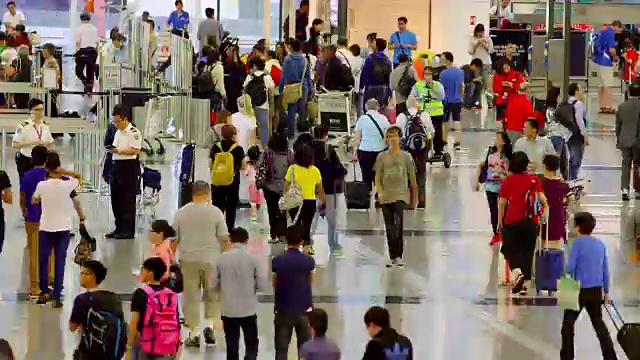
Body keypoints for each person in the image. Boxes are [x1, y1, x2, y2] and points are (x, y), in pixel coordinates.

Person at [173, 180, 230, 346]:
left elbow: (173, 239)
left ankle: (195, 332)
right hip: (211, 260)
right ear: (208, 193)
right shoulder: (216, 212)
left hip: (188, 259)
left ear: (192, 193)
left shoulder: (181, 213)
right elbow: (224, 238)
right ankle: (210, 326)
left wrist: (170, 258)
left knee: (190, 295)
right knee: (212, 293)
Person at [21, 146, 80, 296]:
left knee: (35, 253)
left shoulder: (28, 176)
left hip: (34, 219)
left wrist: (24, 211)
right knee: (56, 255)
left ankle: (35, 286)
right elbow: (77, 181)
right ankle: (53, 282)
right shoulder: (64, 179)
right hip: (59, 223)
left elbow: (24, 197)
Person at [561, 211, 617, 360]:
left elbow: (570, 267)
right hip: (596, 290)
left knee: (568, 324)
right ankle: (610, 356)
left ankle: (567, 356)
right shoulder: (600, 244)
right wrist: (606, 292)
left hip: (578, 290)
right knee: (599, 325)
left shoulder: (577, 244)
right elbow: (605, 270)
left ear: (578, 227)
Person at [33, 152, 85, 307]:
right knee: (60, 260)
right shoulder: (68, 184)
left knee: (44, 259)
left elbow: (35, 200)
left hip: (46, 227)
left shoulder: (42, 185)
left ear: (46, 167)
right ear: (58, 166)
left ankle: (44, 290)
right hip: (63, 228)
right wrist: (63, 171)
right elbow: (78, 176)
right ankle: (57, 294)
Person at [497, 151, 548, 295]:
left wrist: (499, 221)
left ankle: (516, 272)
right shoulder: (534, 180)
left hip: (511, 221)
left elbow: (502, 203)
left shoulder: (507, 180)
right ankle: (523, 285)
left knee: (509, 249)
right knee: (527, 252)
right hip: (530, 221)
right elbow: (543, 199)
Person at [212, 227, 267, 360]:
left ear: (230, 240)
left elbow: (212, 284)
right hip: (248, 308)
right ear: (247, 240)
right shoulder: (254, 259)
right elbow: (262, 284)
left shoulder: (220, 259)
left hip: (228, 309)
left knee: (232, 344)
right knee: (251, 343)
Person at [375, 126, 417, 267]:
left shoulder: (406, 157)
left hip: (401, 195)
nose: (393, 138)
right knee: (389, 227)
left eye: (395, 135)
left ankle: (399, 255)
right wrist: (380, 192)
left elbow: (412, 179)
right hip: (386, 196)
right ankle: (392, 255)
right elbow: (377, 176)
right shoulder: (381, 157)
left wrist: (414, 198)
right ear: (386, 139)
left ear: (400, 138)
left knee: (398, 226)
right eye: (390, 136)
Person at [272, 224, 314, 360]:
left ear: (286, 240)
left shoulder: (277, 261)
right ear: (301, 241)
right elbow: (311, 281)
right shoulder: (308, 261)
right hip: (304, 308)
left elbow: (274, 282)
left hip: (283, 309)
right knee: (304, 350)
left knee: (281, 349)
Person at [69, 260, 126, 360]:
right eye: (81, 273)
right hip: (112, 352)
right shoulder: (114, 297)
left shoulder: (82, 299)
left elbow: (72, 327)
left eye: (85, 273)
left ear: (93, 276)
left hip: (89, 351)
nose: (81, 276)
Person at [126, 257, 181, 359]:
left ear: (150, 273)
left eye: (143, 270)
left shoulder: (140, 293)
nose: (141, 273)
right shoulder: (170, 294)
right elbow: (176, 321)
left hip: (147, 345)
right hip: (168, 344)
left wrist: (129, 348)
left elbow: (134, 323)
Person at [106, 105, 142, 240]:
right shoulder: (118, 132)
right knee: (116, 198)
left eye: (117, 122)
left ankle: (128, 230)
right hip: (116, 165)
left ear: (125, 119)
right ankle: (119, 228)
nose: (116, 125)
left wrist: (119, 151)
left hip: (128, 167)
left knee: (127, 200)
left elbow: (135, 150)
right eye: (114, 122)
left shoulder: (134, 132)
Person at [309, 126, 347, 255]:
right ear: (325, 135)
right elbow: (340, 169)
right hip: (329, 188)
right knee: (332, 219)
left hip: (312, 188)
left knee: (312, 218)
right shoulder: (328, 149)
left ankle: (308, 243)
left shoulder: (308, 149)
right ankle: (333, 244)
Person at [284, 145, 326, 255]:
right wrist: (324, 201)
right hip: (310, 202)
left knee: (295, 224)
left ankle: (292, 245)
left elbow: (286, 186)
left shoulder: (292, 168)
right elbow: (319, 189)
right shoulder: (315, 171)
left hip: (295, 201)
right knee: (307, 225)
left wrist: (285, 199)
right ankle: (307, 246)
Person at [396, 96, 434, 208]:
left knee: (407, 174)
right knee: (421, 173)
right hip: (422, 149)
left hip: (407, 149)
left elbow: (398, 133)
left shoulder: (401, 117)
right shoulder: (424, 115)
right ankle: (421, 201)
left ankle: (409, 201)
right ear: (416, 104)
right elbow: (431, 132)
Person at [475, 131, 512, 243]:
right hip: (490, 186)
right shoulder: (489, 152)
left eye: (499, 138)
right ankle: (496, 233)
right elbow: (480, 166)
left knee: (504, 210)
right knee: (493, 210)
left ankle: (504, 232)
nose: (496, 140)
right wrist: (477, 181)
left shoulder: (509, 155)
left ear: (504, 141)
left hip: (504, 186)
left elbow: (511, 170)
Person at [352, 99, 391, 200]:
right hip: (380, 151)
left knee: (366, 174)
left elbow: (357, 138)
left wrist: (354, 152)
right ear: (378, 107)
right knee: (379, 174)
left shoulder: (362, 119)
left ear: (366, 107)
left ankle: (367, 194)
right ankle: (379, 194)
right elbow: (387, 136)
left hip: (364, 151)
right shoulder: (384, 119)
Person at [209, 124, 246, 230]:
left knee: (217, 206)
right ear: (233, 135)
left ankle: (217, 228)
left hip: (217, 183)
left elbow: (210, 164)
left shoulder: (215, 147)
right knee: (231, 207)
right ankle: (229, 229)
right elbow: (243, 166)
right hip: (232, 182)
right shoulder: (238, 149)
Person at [261, 132, 293, 244]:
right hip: (285, 187)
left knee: (271, 210)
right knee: (283, 210)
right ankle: (283, 234)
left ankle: (273, 234)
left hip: (269, 186)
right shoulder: (289, 154)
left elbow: (261, 166)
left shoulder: (267, 153)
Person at [12, 98, 54, 180]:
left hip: (42, 161)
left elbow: (50, 142)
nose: (40, 112)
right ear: (31, 111)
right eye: (37, 110)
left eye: (42, 109)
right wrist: (32, 143)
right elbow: (15, 144)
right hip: (27, 160)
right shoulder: (23, 126)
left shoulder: (45, 126)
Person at [279, 39, 313, 138]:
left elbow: (283, 76)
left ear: (291, 47)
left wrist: (281, 89)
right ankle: (302, 133)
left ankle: (291, 134)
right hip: (303, 88)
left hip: (291, 88)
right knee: (302, 111)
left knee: (291, 111)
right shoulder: (304, 60)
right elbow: (308, 76)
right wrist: (311, 91)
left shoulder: (288, 59)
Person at [409, 66, 445, 158]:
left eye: (429, 74)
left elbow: (441, 97)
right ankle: (424, 148)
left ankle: (438, 150)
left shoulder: (438, 85)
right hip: (423, 114)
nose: (427, 77)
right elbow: (412, 96)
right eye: (426, 74)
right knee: (424, 132)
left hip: (436, 113)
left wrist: (432, 88)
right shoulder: (418, 85)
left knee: (437, 133)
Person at [244, 56, 275, 147]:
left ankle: (251, 146)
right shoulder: (267, 77)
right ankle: (264, 147)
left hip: (250, 106)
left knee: (251, 127)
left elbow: (244, 90)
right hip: (263, 105)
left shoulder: (249, 76)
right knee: (264, 127)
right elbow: (271, 90)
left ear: (254, 65)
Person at [592, 20, 622, 114]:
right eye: (619, 29)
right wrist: (616, 57)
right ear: (617, 26)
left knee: (601, 84)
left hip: (598, 60)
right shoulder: (610, 33)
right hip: (606, 61)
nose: (619, 31)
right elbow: (611, 49)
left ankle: (602, 106)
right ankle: (608, 106)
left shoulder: (602, 31)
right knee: (608, 84)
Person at [541, 154, 571, 246]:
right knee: (556, 246)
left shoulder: (540, 183)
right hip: (558, 216)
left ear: (545, 166)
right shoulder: (563, 184)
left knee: (542, 245)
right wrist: (563, 202)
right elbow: (571, 198)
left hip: (543, 217)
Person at [617, 82, 640, 200]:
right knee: (637, 165)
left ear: (629, 93)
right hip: (638, 140)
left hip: (624, 139)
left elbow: (618, 125)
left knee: (626, 164)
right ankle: (637, 190)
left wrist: (618, 139)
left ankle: (624, 190)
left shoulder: (622, 107)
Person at [439, 51, 465, 150]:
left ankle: (444, 140)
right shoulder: (460, 72)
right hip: (457, 100)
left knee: (445, 121)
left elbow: (441, 88)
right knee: (457, 120)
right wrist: (460, 96)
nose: (441, 60)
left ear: (447, 60)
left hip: (446, 100)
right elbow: (462, 86)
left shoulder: (443, 74)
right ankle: (457, 142)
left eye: (442, 58)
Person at [545, 86, 570, 180]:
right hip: (556, 137)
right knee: (556, 162)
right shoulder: (555, 110)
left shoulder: (549, 109)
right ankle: (555, 180)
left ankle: (564, 181)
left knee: (564, 162)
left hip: (559, 137)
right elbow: (565, 121)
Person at [565, 82, 588, 181]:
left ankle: (570, 178)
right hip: (577, 135)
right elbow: (579, 120)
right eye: (580, 89)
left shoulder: (566, 103)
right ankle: (573, 180)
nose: (582, 91)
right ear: (576, 91)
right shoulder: (578, 104)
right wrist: (584, 135)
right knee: (576, 159)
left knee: (571, 158)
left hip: (568, 134)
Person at [360, 38, 392, 107]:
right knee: (381, 108)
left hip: (371, 87)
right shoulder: (387, 60)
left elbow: (365, 73)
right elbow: (390, 76)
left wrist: (362, 85)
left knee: (368, 107)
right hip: (383, 88)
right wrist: (389, 91)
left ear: (376, 46)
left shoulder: (370, 58)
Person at [468, 24, 494, 106]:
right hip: (476, 64)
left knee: (487, 84)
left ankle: (490, 102)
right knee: (477, 84)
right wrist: (477, 44)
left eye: (481, 32)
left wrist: (484, 45)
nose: (480, 34)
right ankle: (476, 103)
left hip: (487, 64)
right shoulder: (472, 39)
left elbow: (491, 51)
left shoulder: (488, 39)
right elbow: (470, 51)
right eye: (478, 32)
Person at [493, 58, 524, 125]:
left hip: (514, 101)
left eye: (507, 67)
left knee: (514, 121)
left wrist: (511, 85)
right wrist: (502, 86)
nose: (505, 69)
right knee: (501, 123)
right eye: (503, 68)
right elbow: (495, 89)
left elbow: (522, 86)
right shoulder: (497, 76)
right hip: (501, 102)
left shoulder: (516, 74)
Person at [75, 13, 99, 91]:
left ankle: (86, 83)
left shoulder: (79, 28)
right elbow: (97, 42)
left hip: (83, 51)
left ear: (81, 19)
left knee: (78, 71)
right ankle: (89, 88)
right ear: (89, 19)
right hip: (92, 51)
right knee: (90, 71)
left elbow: (78, 43)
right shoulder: (94, 28)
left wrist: (76, 53)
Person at [223, 44, 247, 115]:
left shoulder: (241, 63)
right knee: (229, 107)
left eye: (232, 51)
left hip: (237, 89)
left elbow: (242, 74)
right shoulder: (227, 62)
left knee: (237, 108)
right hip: (229, 89)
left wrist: (235, 62)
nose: (230, 53)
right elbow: (226, 70)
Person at [246, 146, 264, 222]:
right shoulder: (260, 165)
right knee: (259, 199)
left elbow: (246, 173)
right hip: (259, 185)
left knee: (253, 201)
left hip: (252, 185)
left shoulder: (249, 166)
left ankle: (254, 215)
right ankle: (258, 206)